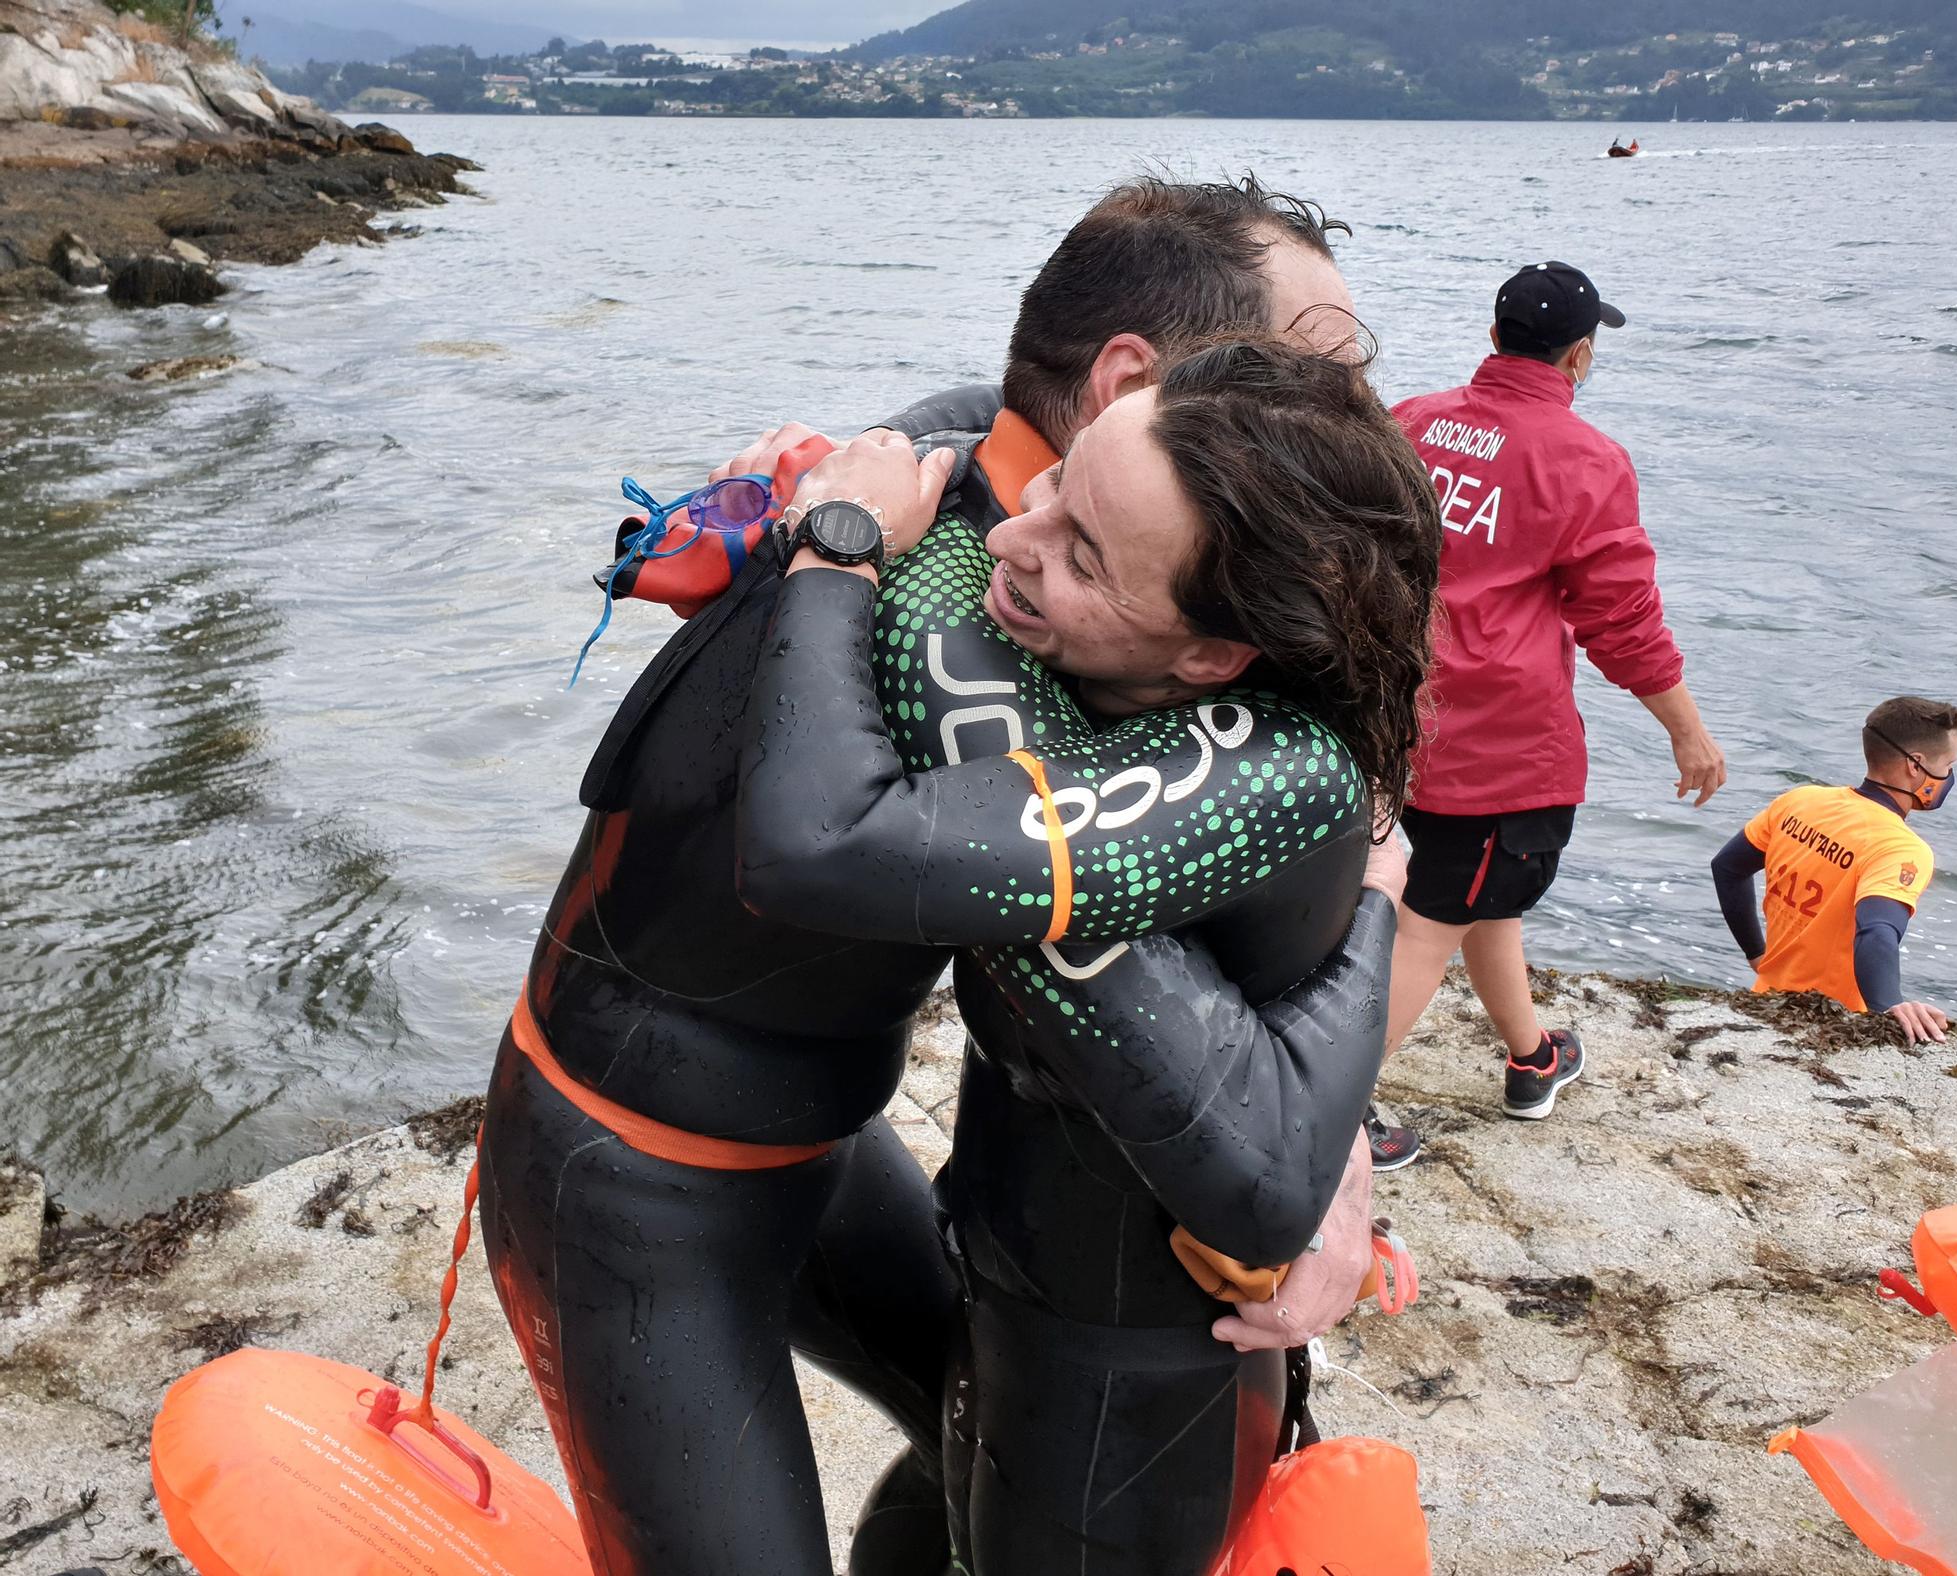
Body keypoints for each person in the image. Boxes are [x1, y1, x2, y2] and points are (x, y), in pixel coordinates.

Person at [478, 177, 1392, 1576]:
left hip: (815, 1142)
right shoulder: (966, 615)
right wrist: (1319, 1182)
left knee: (984, 1432)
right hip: (626, 1176)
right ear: (1131, 385)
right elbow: (1195, 1066)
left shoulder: (980, 452)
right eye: (1309, 368)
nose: (1350, 417)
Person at [734, 334, 1440, 1575]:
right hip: (1006, 1285)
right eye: (1057, 480)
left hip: (1137, 1384)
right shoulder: (1070, 655)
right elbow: (984, 419)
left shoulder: (1269, 777)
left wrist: (835, 544)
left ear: (1212, 653)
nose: (1017, 534)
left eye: (1083, 555)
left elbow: (1267, 1177)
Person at [1372, 259, 1727, 1169]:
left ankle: (1533, 1057)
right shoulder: (1585, 460)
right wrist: (1685, 729)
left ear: (1493, 339)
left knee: (1482, 896)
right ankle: (1327, 1118)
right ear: (1580, 355)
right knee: (1430, 916)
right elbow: (1621, 618)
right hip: (1497, 741)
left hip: (1390, 717)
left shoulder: (1413, 421)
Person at [1711, 695, 1957, 1044]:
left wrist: (1756, 953)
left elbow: (1727, 868)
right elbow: (1876, 930)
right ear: (1915, 765)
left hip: (1766, 1003)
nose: (1948, 776)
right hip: (1833, 1027)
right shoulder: (1901, 847)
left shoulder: (1800, 801)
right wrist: (1889, 1005)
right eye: (1948, 765)